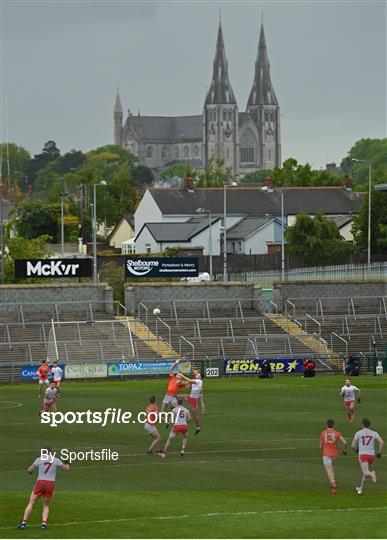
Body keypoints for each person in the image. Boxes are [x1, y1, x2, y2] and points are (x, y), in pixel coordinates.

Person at [17, 444, 70, 530]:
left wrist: (30, 472)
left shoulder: (39, 459)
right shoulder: (56, 460)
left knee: (31, 503)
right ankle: (43, 524)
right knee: (46, 505)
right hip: (50, 484)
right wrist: (67, 463)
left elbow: (29, 470)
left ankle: (23, 523)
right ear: (51, 451)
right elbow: (66, 469)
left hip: (41, 482)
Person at [352, 418, 384, 495]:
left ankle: (372, 473)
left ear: (362, 425)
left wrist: (357, 450)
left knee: (366, 472)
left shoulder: (358, 433)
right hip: (371, 456)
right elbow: (382, 442)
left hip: (363, 455)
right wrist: (379, 453)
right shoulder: (374, 433)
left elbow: (352, 446)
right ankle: (360, 489)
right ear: (370, 425)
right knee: (366, 472)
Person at [319, 419, 348, 495]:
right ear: (333, 425)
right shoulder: (337, 433)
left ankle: (333, 484)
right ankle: (334, 482)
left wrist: (324, 448)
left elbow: (320, 446)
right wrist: (345, 450)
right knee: (332, 468)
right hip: (335, 454)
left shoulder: (323, 433)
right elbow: (345, 442)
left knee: (328, 469)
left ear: (326, 425)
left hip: (326, 454)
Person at [160, 359, 187, 425]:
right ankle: (166, 421)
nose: (177, 374)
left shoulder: (181, 383)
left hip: (173, 397)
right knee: (162, 412)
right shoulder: (173, 378)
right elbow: (171, 369)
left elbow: (189, 384)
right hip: (167, 395)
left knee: (177, 410)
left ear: (181, 377)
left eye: (179, 374)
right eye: (177, 374)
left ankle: (177, 420)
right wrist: (176, 363)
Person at [179, 369, 205, 434]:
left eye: (198, 374)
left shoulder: (199, 381)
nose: (197, 374)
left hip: (193, 400)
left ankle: (198, 427)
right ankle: (175, 408)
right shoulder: (195, 381)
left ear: (200, 376)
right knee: (177, 396)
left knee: (194, 415)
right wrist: (180, 382)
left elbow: (189, 380)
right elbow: (188, 385)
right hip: (190, 397)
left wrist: (182, 375)